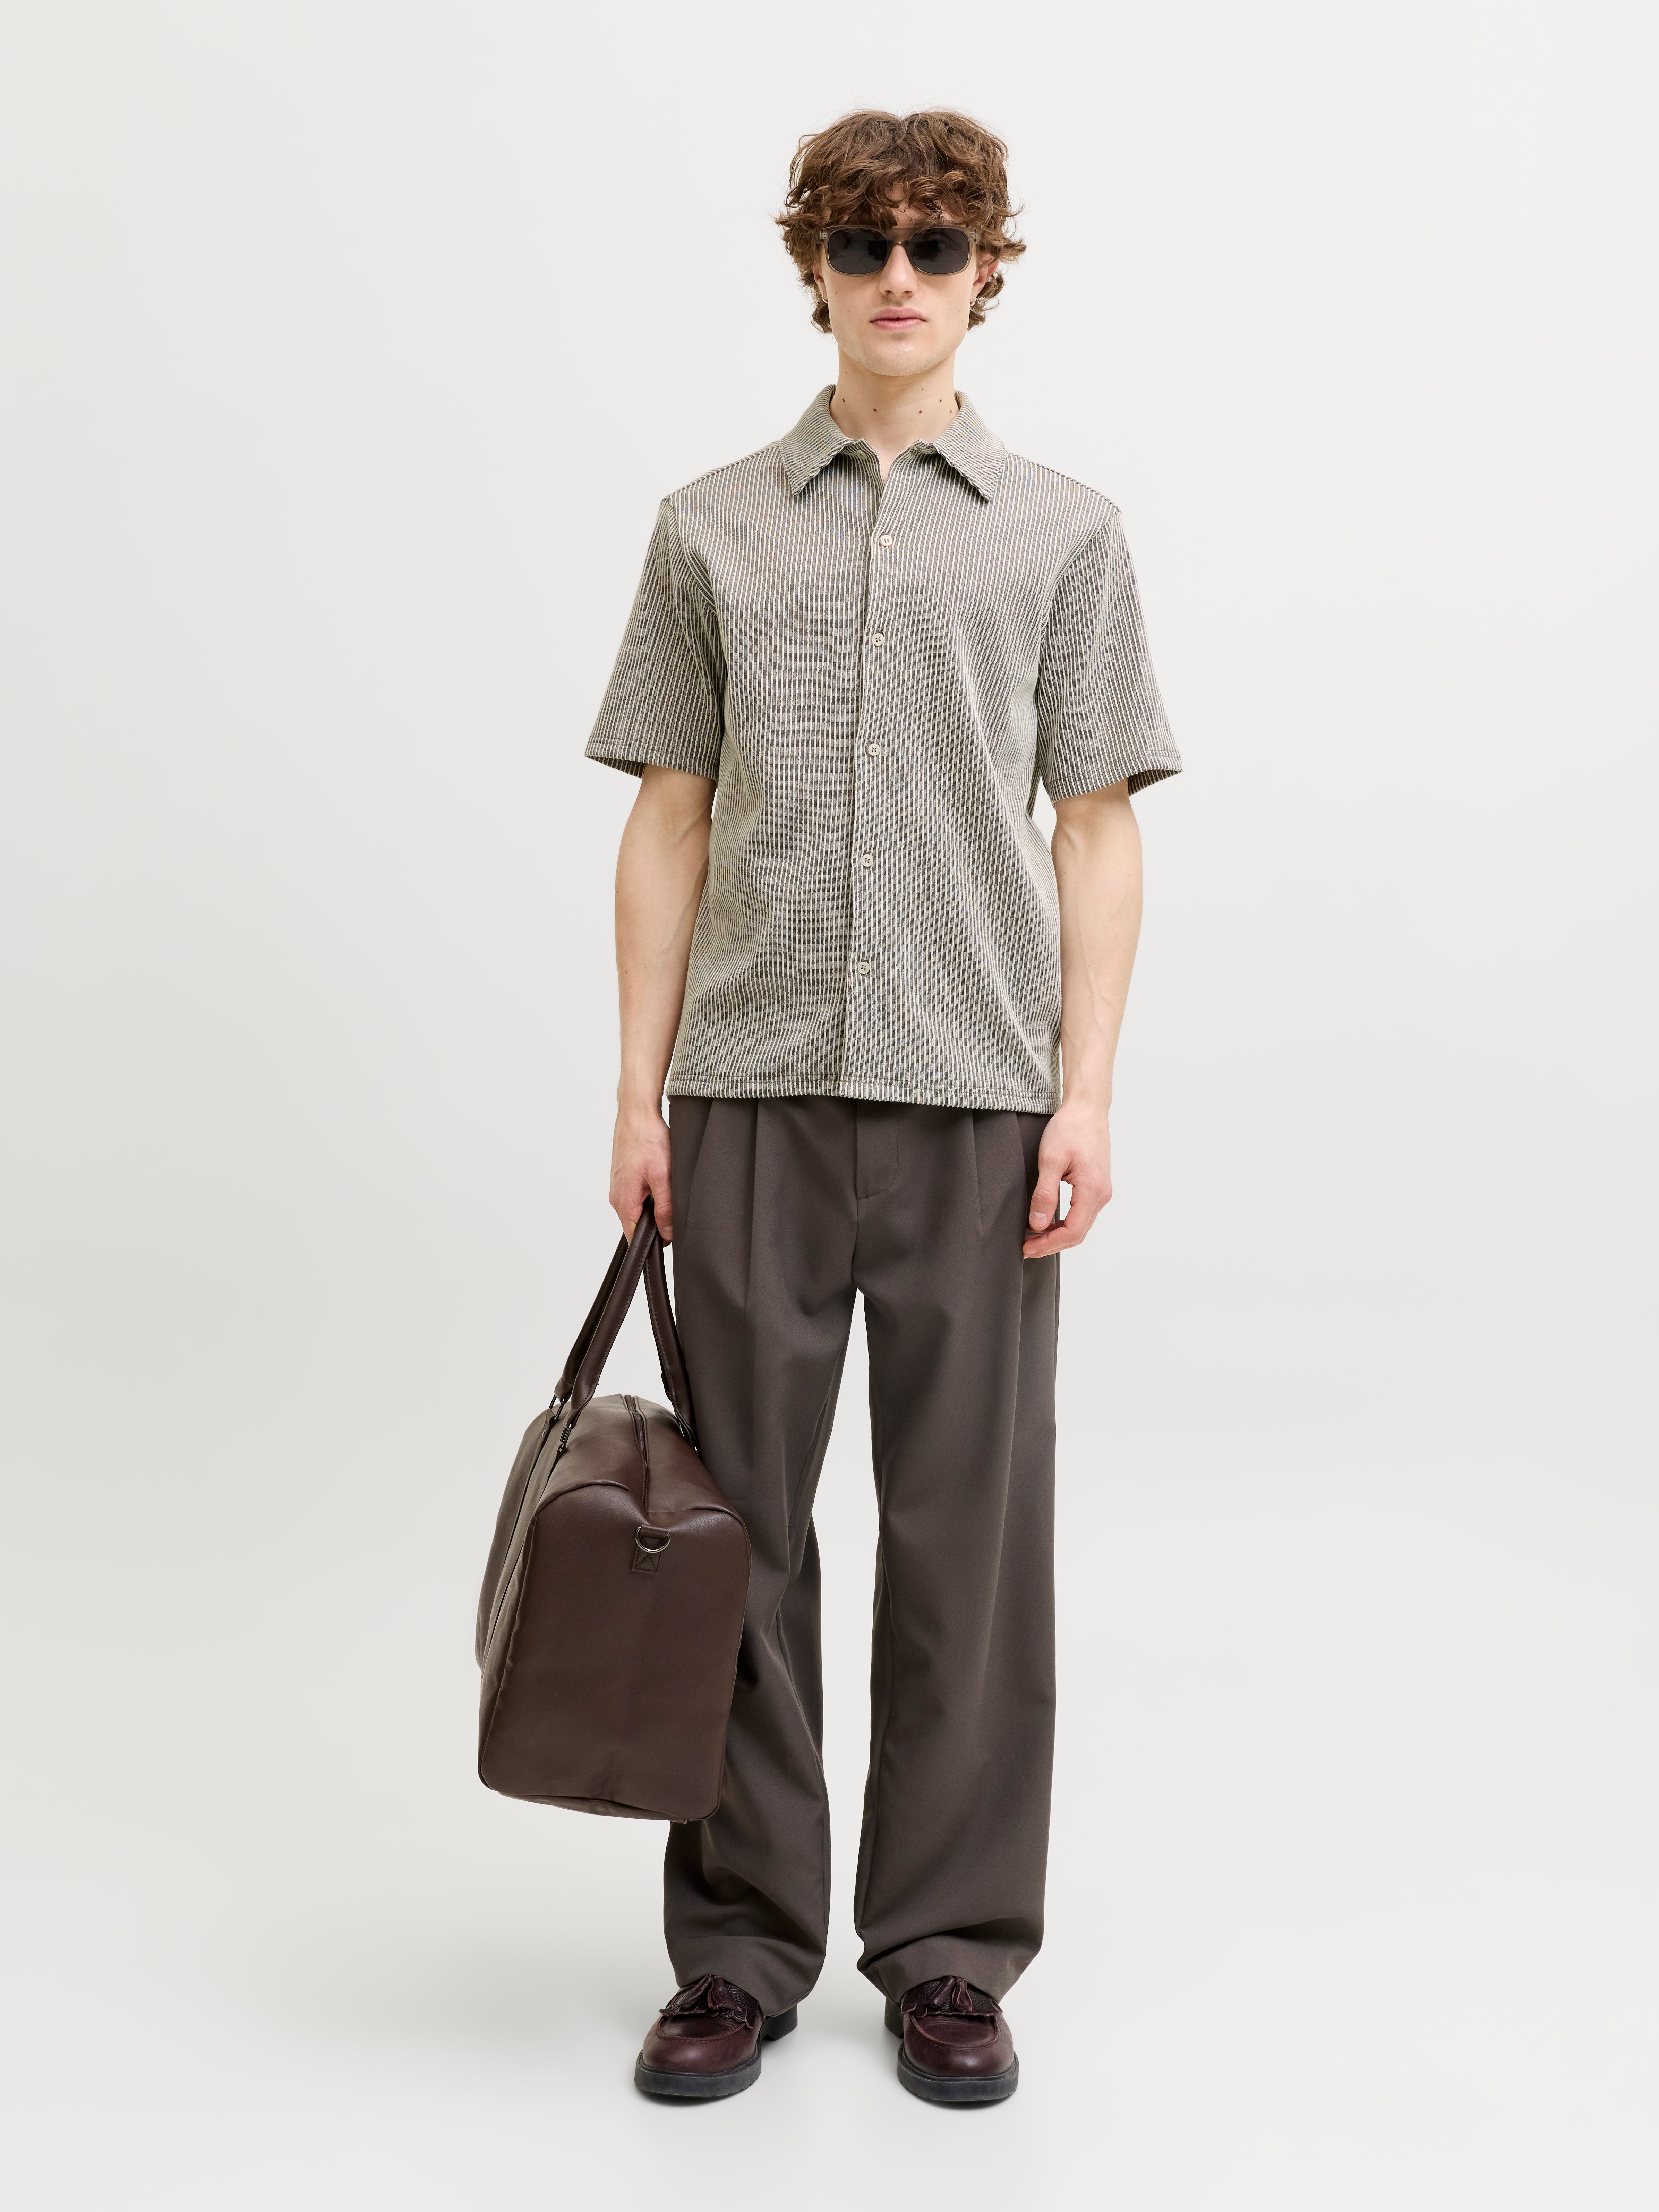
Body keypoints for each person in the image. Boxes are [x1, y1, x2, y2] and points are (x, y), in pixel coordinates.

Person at [584, 107, 1181, 2105]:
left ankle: (948, 1951)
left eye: (935, 243)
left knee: (966, 1546)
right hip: (750, 1094)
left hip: (978, 1106)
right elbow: (669, 819)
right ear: (815, 271)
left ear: (987, 270)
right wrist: (640, 1093)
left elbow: (1095, 828)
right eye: (862, 244)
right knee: (734, 1540)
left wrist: (1085, 1093)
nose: (898, 275)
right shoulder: (708, 527)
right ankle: (738, 1949)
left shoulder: (1064, 533)